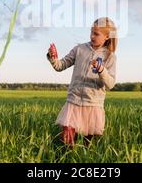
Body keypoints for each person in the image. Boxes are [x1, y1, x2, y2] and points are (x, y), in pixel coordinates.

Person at [47, 17, 117, 146]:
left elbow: (111, 84)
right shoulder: (79, 49)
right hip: (74, 101)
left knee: (88, 145)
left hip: (93, 104)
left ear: (107, 36)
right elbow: (60, 66)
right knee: (67, 140)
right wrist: (53, 58)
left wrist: (102, 70)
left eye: (96, 34)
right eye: (91, 32)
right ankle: (67, 157)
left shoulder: (110, 56)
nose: (92, 36)